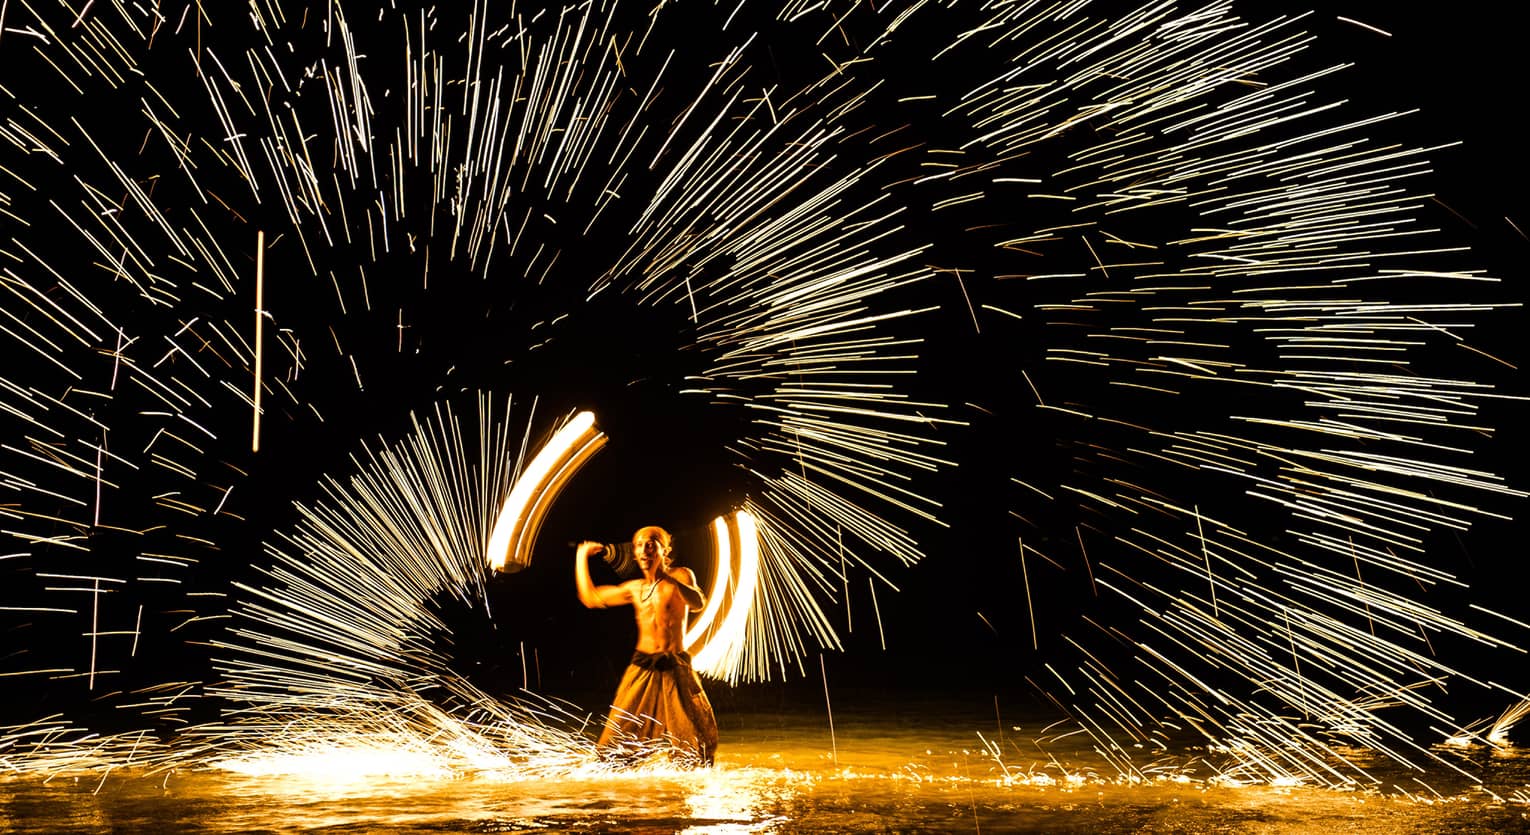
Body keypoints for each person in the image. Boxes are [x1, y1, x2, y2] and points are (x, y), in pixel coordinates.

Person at [575, 525, 718, 766]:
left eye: (651, 543)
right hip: (641, 668)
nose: (645, 548)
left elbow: (697, 602)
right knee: (615, 746)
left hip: (675, 668)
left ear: (665, 550)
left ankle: (689, 788)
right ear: (634, 554)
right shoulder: (635, 589)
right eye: (639, 545)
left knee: (695, 746)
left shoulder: (681, 576)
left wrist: (667, 578)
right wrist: (581, 557)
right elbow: (590, 598)